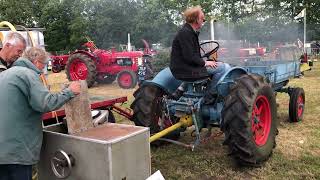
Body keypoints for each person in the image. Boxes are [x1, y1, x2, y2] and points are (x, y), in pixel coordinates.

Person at [0, 47, 81, 180]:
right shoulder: (28, 74)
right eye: (44, 65)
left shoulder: (4, 74)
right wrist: (70, 91)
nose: (43, 69)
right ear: (37, 62)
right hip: (17, 151)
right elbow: (46, 103)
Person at [169, 6, 230, 97]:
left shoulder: (188, 31)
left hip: (183, 67)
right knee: (224, 67)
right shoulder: (186, 33)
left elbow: (191, 55)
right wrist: (205, 63)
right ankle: (210, 94)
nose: (203, 21)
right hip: (185, 70)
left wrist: (204, 62)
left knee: (214, 64)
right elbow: (189, 56)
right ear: (197, 20)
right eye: (202, 19)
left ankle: (181, 89)